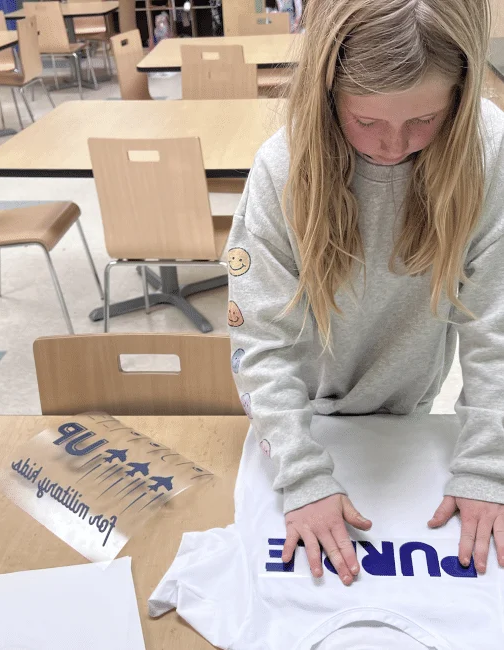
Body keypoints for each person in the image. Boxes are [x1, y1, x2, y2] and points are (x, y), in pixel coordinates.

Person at [227, 0, 504, 587]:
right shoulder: (282, 168)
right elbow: (261, 344)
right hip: (297, 421)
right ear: (329, 93)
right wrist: (302, 475)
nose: (393, 146)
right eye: (367, 121)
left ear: (460, 94)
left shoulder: (489, 151)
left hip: (408, 420)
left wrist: (488, 466)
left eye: (424, 119)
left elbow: (495, 326)